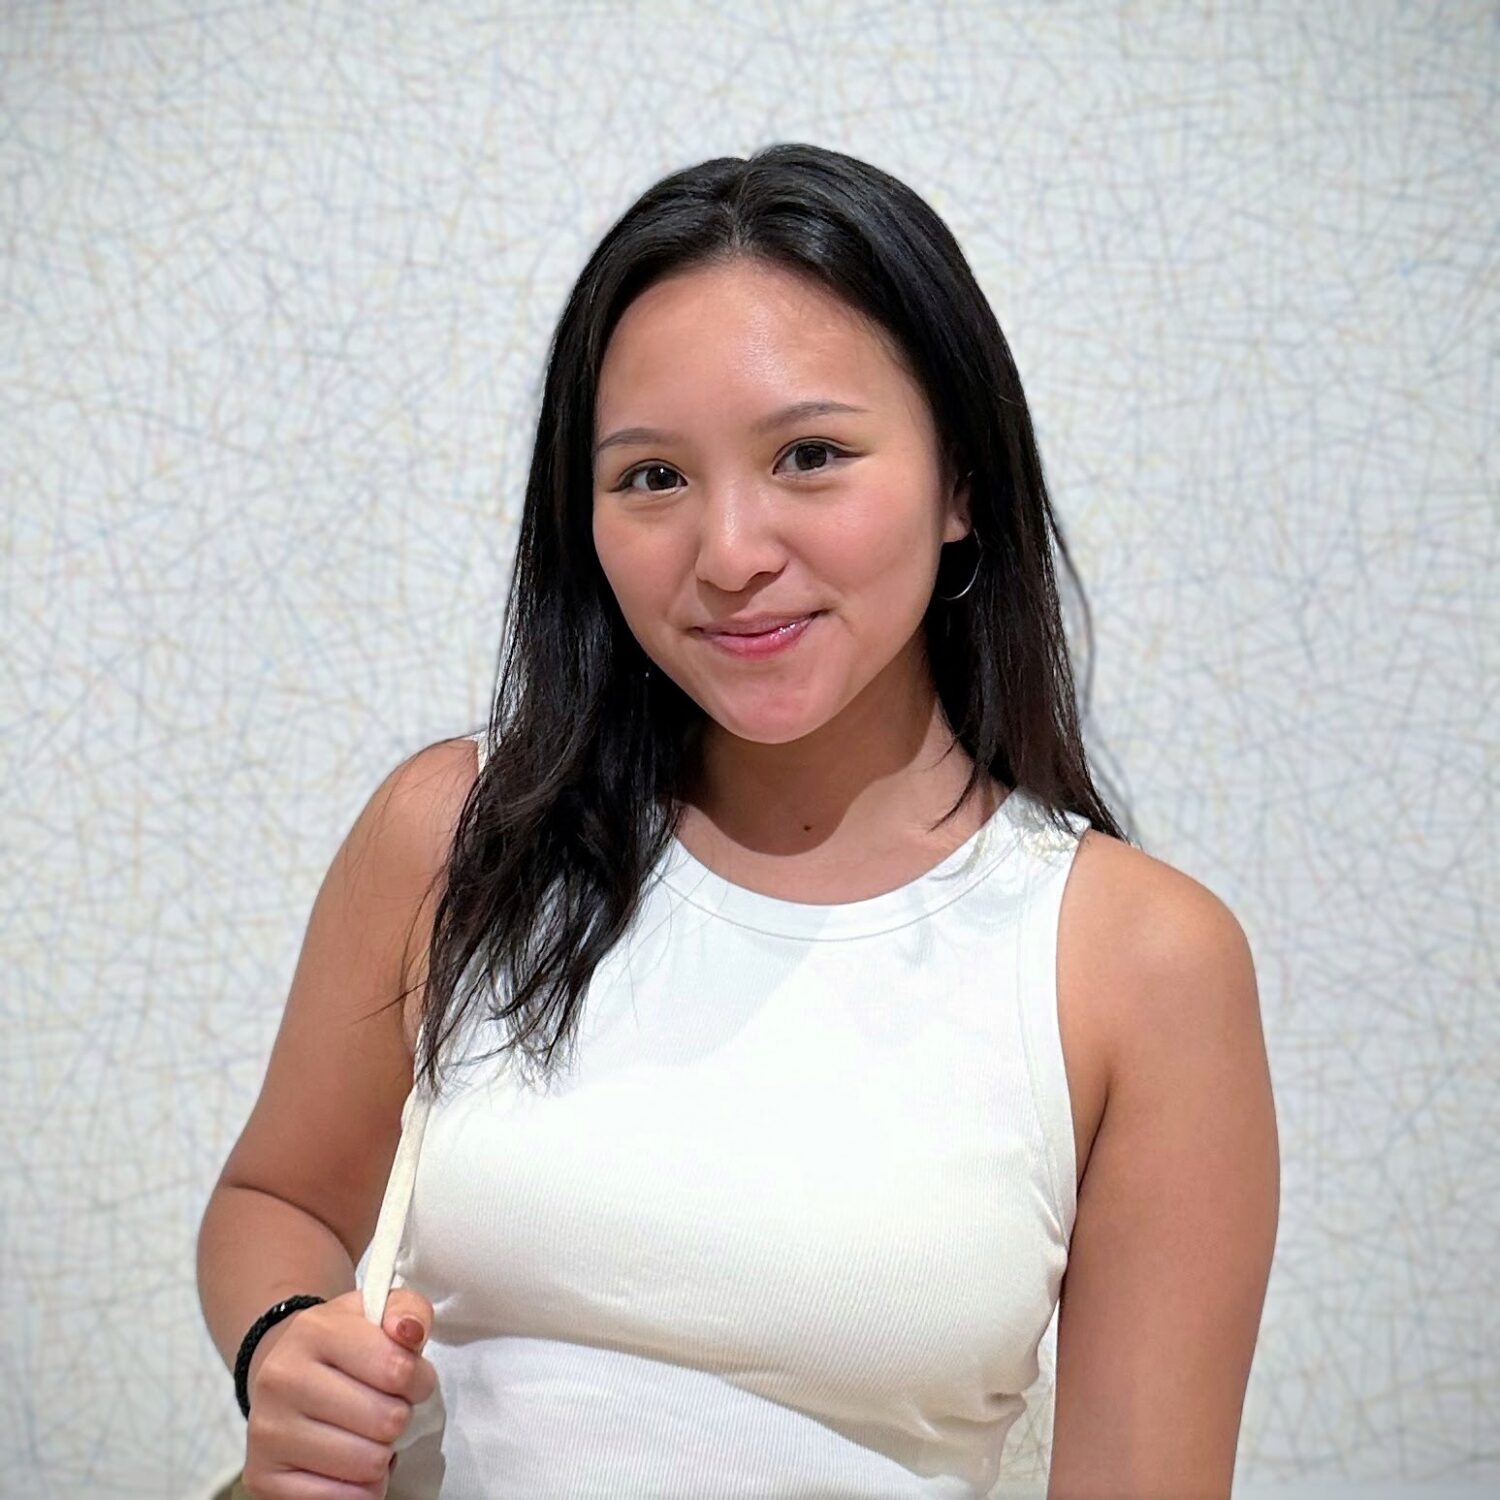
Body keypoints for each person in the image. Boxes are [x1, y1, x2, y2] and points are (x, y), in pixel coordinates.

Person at [197, 142, 1279, 1499]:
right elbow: (280, 1201)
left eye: (809, 456)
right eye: (652, 477)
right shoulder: (459, 831)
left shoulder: (1140, 962)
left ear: (961, 482)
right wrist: (287, 1345)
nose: (728, 554)